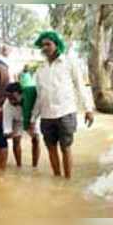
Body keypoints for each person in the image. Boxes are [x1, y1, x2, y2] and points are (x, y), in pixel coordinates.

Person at [31, 31, 94, 179]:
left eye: (49, 44)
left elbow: (80, 87)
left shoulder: (69, 63)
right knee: (51, 148)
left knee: (65, 148)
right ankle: (57, 178)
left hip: (66, 113)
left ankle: (68, 180)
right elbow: (40, 96)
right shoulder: (41, 69)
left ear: (57, 44)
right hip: (46, 116)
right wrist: (33, 118)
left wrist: (88, 109)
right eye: (43, 45)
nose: (45, 47)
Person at [3, 82, 41, 168]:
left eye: (13, 97)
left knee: (36, 139)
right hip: (16, 120)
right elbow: (7, 131)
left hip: (31, 117)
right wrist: (11, 134)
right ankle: (18, 165)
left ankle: (35, 166)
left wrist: (32, 122)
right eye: (8, 98)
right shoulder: (7, 106)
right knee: (16, 140)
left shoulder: (31, 97)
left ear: (22, 94)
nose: (11, 100)